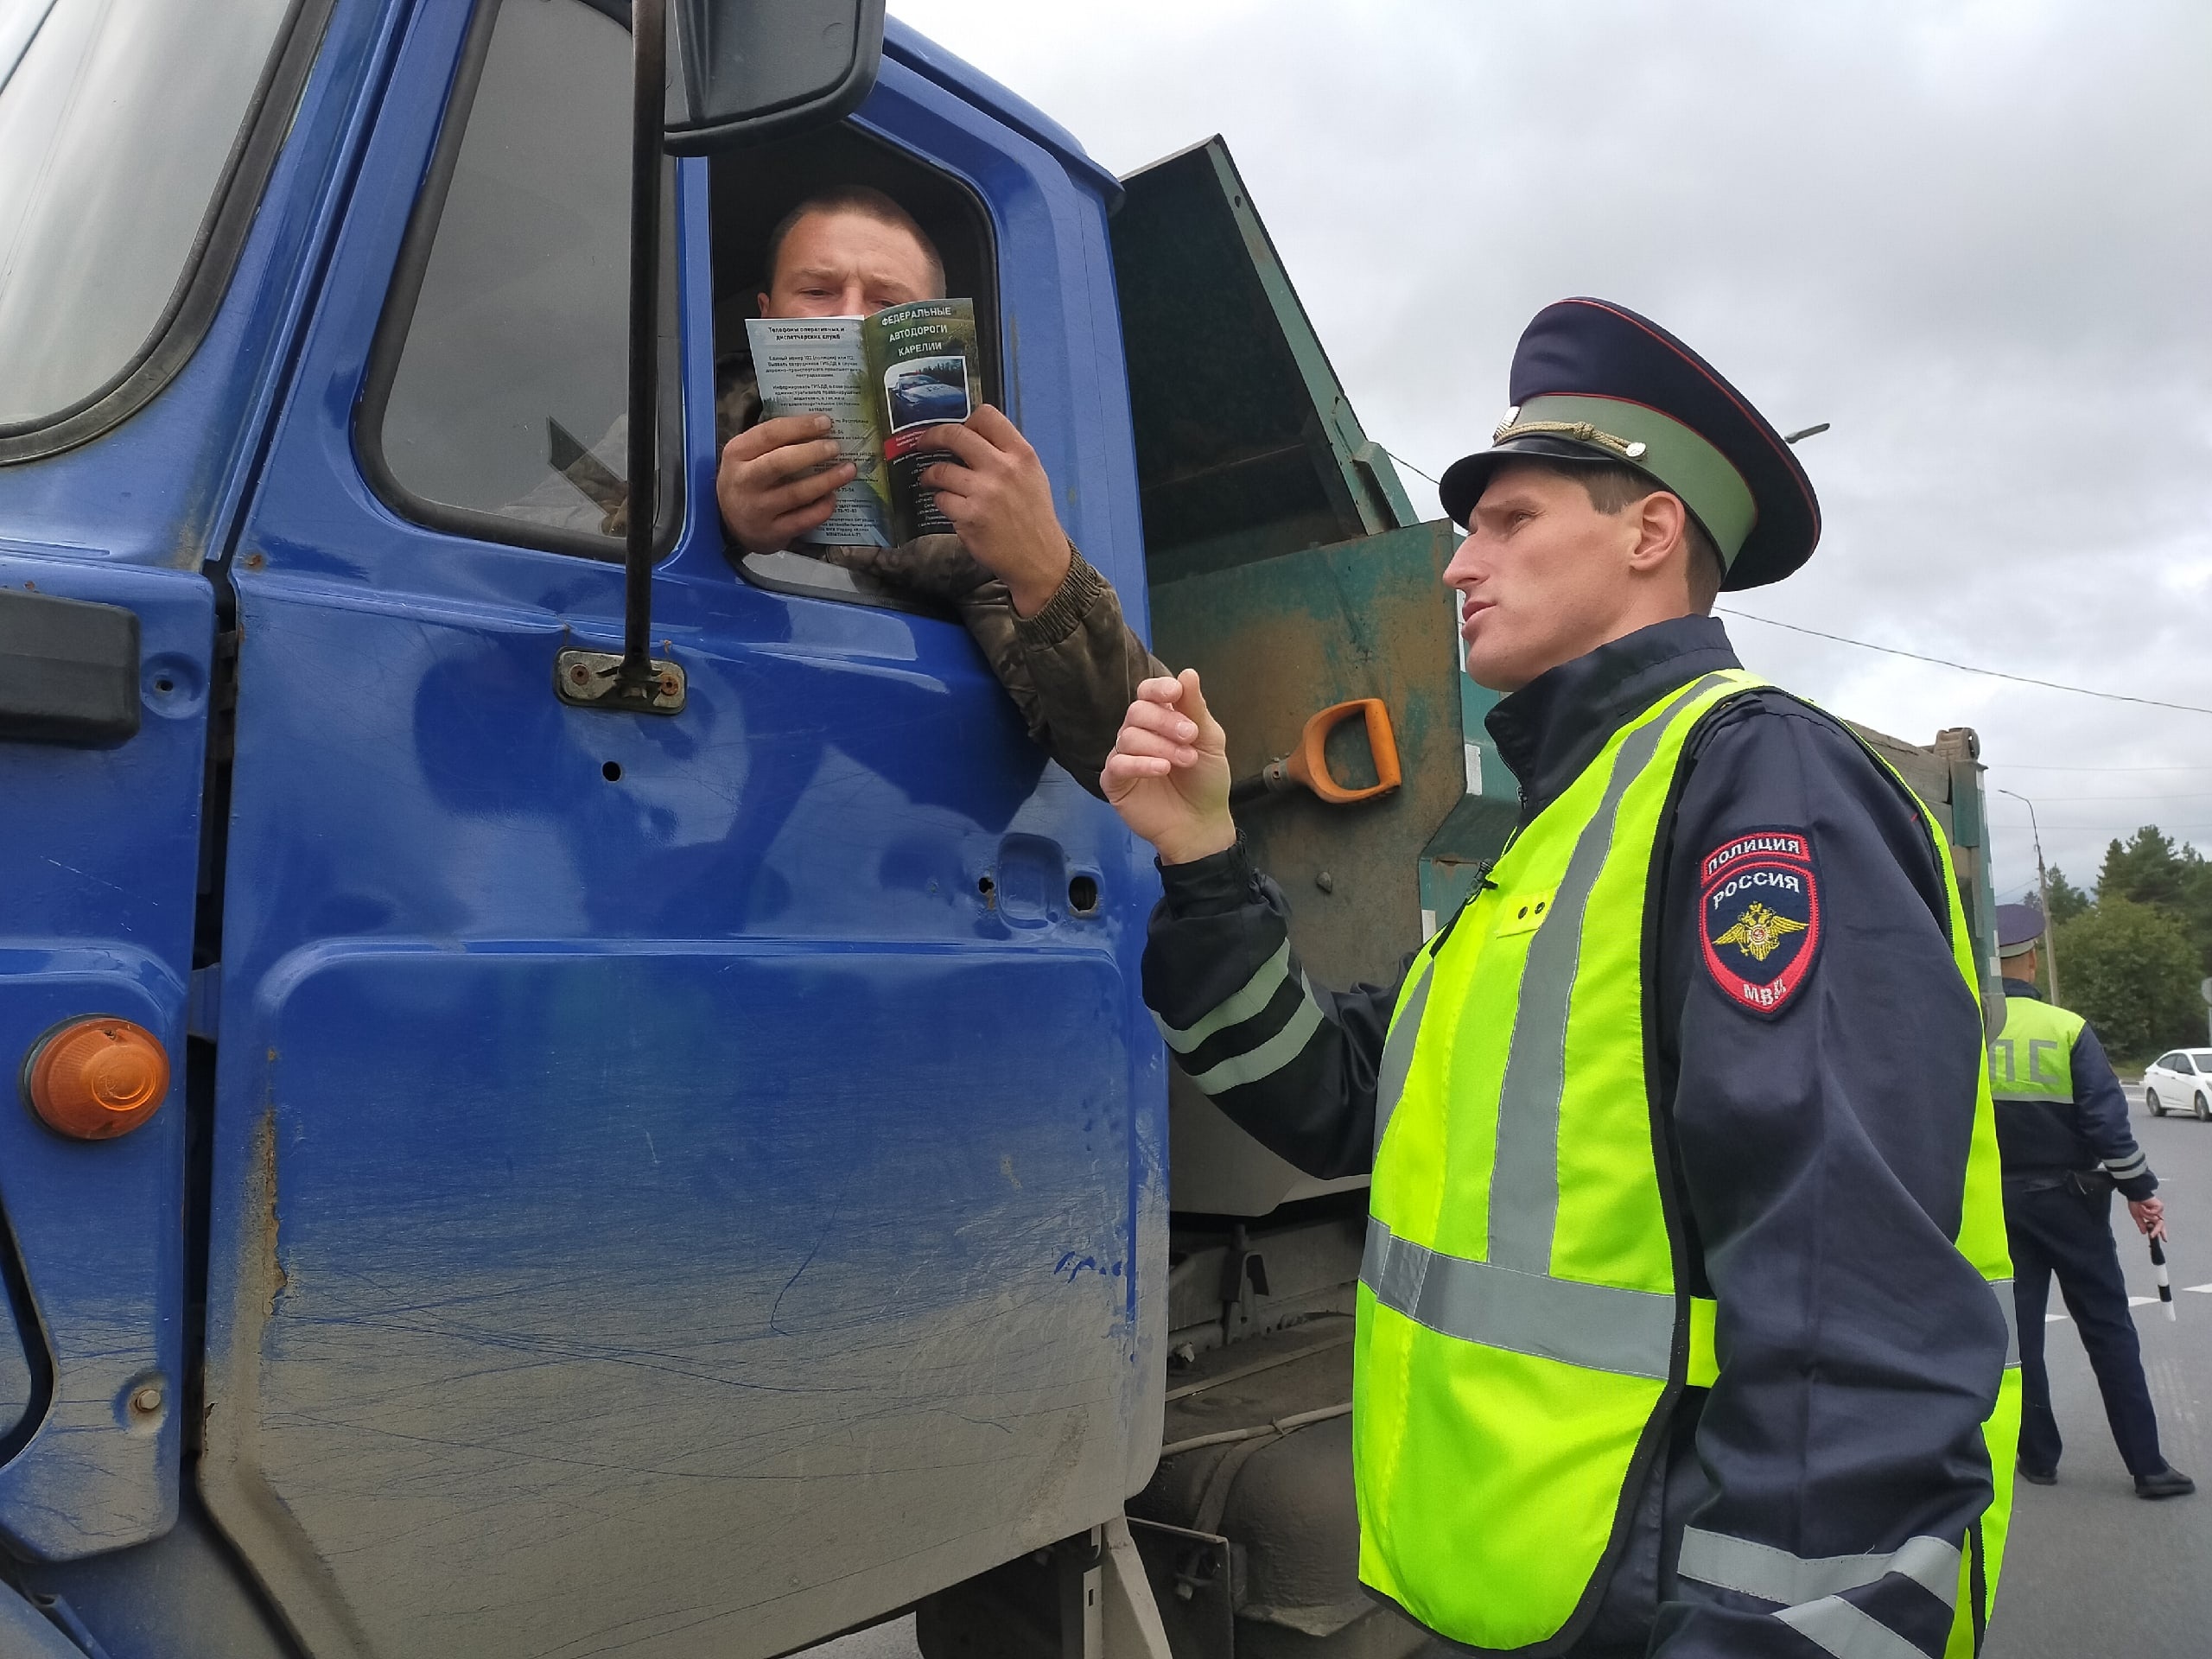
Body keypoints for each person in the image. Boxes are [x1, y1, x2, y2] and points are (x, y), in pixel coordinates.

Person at [1101, 298, 2018, 1657]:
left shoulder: (1760, 781)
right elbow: (1346, 1102)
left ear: (1650, 533)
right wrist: (1205, 858)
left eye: (1511, 522)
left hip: (1659, 1610)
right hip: (1530, 1596)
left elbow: (1852, 1313)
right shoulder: (1560, 829)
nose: (1458, 566)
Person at [714, 186, 1160, 797]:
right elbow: (558, 545)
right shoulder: (677, 425)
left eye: (886, 303)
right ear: (768, 314)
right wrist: (718, 524)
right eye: (818, 292)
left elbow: (1125, 754)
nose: (850, 318)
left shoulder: (968, 508)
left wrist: (1046, 569)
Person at [1988, 902, 2193, 1500]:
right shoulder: (2066, 1030)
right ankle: (2148, 1467)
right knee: (2108, 1329)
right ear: (2029, 958)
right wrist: (2141, 1194)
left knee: (2019, 1339)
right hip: (2072, 1205)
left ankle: (2039, 1456)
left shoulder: (1968, 1028)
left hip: (1997, 1206)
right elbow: (2110, 1130)